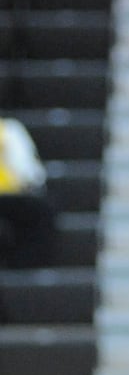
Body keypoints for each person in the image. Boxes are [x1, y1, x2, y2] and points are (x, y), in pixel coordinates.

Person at [0, 115, 55, 268]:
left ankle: (24, 269)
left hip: (10, 196)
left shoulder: (9, 130)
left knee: (41, 211)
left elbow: (32, 174)